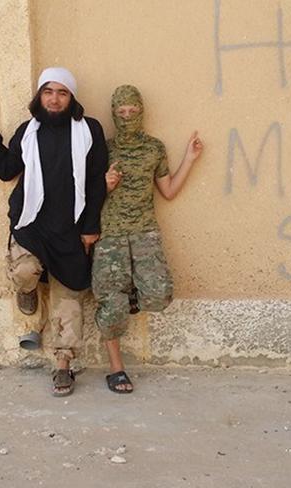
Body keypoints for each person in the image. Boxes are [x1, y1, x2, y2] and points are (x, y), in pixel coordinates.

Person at [0, 67, 108, 397]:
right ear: (39, 97)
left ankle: (62, 366)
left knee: (68, 299)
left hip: (71, 230)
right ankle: (26, 290)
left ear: (71, 98)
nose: (54, 99)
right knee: (25, 271)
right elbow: (7, 170)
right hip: (32, 225)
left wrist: (90, 229)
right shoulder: (27, 131)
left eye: (62, 93)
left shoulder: (89, 130)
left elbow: (96, 180)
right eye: (48, 92)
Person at [92, 85, 203, 394]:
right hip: (110, 234)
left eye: (133, 111)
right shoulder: (102, 149)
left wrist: (190, 158)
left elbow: (167, 191)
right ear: (113, 113)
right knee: (111, 305)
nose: (127, 116)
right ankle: (116, 369)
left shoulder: (154, 148)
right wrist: (106, 185)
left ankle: (124, 299)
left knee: (159, 293)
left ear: (142, 111)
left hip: (145, 231)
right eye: (121, 112)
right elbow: (87, 196)